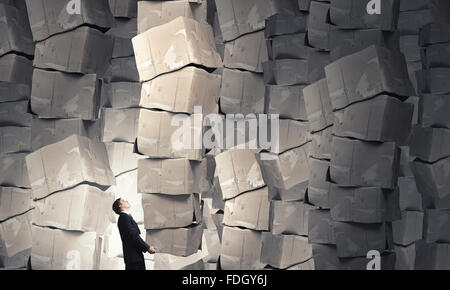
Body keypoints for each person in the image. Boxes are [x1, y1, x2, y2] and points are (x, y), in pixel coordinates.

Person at [112, 198, 156, 270]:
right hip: (134, 258)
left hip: (135, 257)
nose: (126, 200)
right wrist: (147, 248)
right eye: (123, 201)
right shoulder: (124, 218)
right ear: (120, 205)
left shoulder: (126, 217)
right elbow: (133, 236)